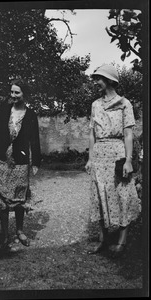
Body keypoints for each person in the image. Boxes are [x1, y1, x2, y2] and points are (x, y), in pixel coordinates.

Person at [85, 65, 141, 256]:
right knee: (100, 195)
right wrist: (90, 158)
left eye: (98, 79)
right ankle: (103, 239)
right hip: (99, 154)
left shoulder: (125, 104)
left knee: (122, 194)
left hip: (117, 154)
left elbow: (128, 135)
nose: (95, 83)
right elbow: (92, 134)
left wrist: (128, 160)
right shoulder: (95, 105)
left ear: (109, 80)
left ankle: (122, 241)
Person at [0, 78, 41, 252]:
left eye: (17, 92)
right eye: (11, 92)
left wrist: (35, 161)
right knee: (3, 199)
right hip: (1, 161)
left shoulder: (30, 114)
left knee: (20, 197)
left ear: (24, 95)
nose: (13, 95)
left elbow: (34, 139)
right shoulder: (3, 110)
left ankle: (19, 231)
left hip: (20, 162)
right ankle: (5, 235)